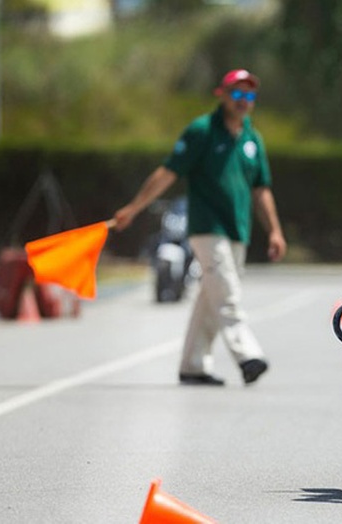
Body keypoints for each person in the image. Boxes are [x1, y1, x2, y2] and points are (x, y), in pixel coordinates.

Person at [114, 69, 287, 386]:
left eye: (249, 96)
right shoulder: (202, 131)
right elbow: (168, 172)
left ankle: (193, 366)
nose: (243, 101)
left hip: (239, 229)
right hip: (208, 227)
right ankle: (248, 355)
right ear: (220, 94)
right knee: (227, 292)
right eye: (237, 94)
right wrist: (134, 208)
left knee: (212, 295)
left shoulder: (252, 139)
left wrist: (274, 230)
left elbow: (261, 189)